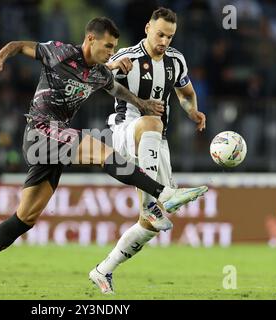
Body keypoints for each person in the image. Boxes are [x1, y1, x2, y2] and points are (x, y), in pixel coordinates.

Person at [0, 17, 207, 294]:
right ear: (90, 39)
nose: (111, 52)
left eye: (114, 48)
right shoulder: (61, 52)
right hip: (40, 131)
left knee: (25, 217)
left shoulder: (99, 72)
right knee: (100, 150)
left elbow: (116, 88)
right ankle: (162, 194)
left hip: (55, 142)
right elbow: (18, 45)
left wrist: (142, 104)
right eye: (108, 46)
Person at [90, 8, 208, 294]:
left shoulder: (175, 61)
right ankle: (150, 204)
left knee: (150, 226)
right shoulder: (127, 56)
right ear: (147, 28)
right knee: (152, 121)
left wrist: (192, 111)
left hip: (154, 141)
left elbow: (186, 92)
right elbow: (95, 75)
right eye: (160, 34)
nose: (164, 41)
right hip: (124, 131)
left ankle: (103, 270)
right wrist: (114, 68)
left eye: (169, 36)